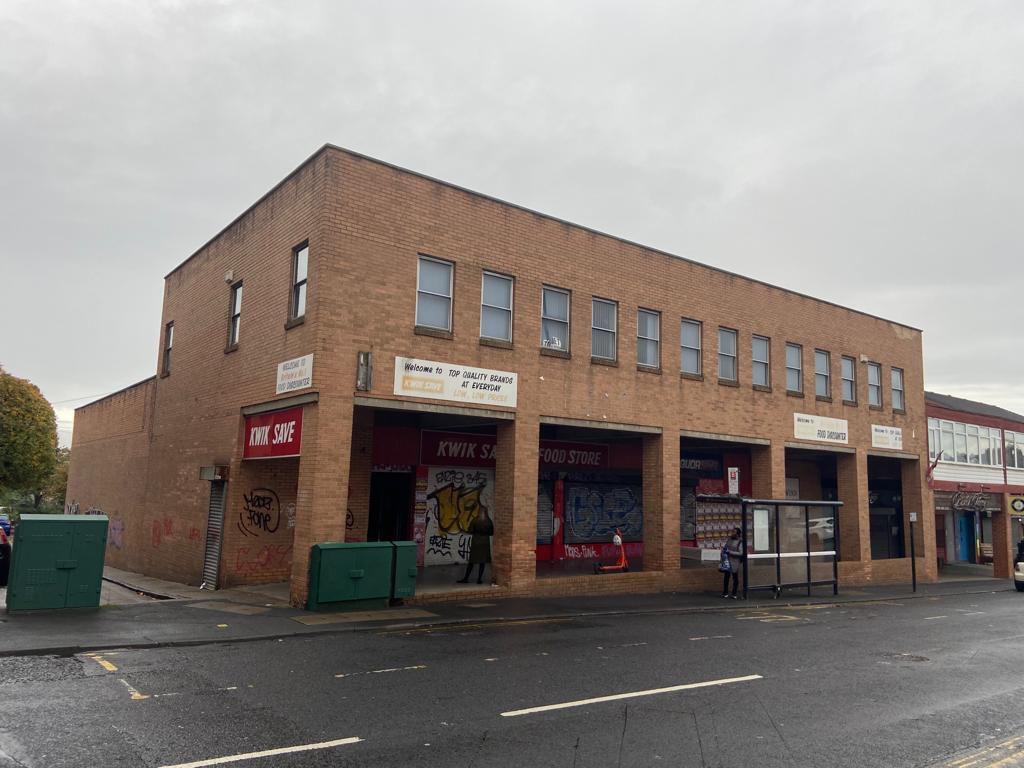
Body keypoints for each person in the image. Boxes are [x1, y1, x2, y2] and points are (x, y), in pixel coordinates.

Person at [457, 508, 494, 584]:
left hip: (476, 542)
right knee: (482, 562)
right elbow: (491, 533)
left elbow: (470, 530)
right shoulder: (489, 521)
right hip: (485, 543)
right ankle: (479, 579)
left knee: (471, 561)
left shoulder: (475, 520)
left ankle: (466, 578)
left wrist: (465, 531)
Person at [721, 527, 744, 599]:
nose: (732, 533)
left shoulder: (740, 542)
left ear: (738, 534)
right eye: (732, 531)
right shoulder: (729, 539)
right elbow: (725, 547)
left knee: (735, 578)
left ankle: (734, 593)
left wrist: (730, 552)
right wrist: (724, 551)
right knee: (726, 577)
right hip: (727, 561)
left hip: (735, 562)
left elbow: (740, 553)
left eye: (734, 532)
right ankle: (725, 593)